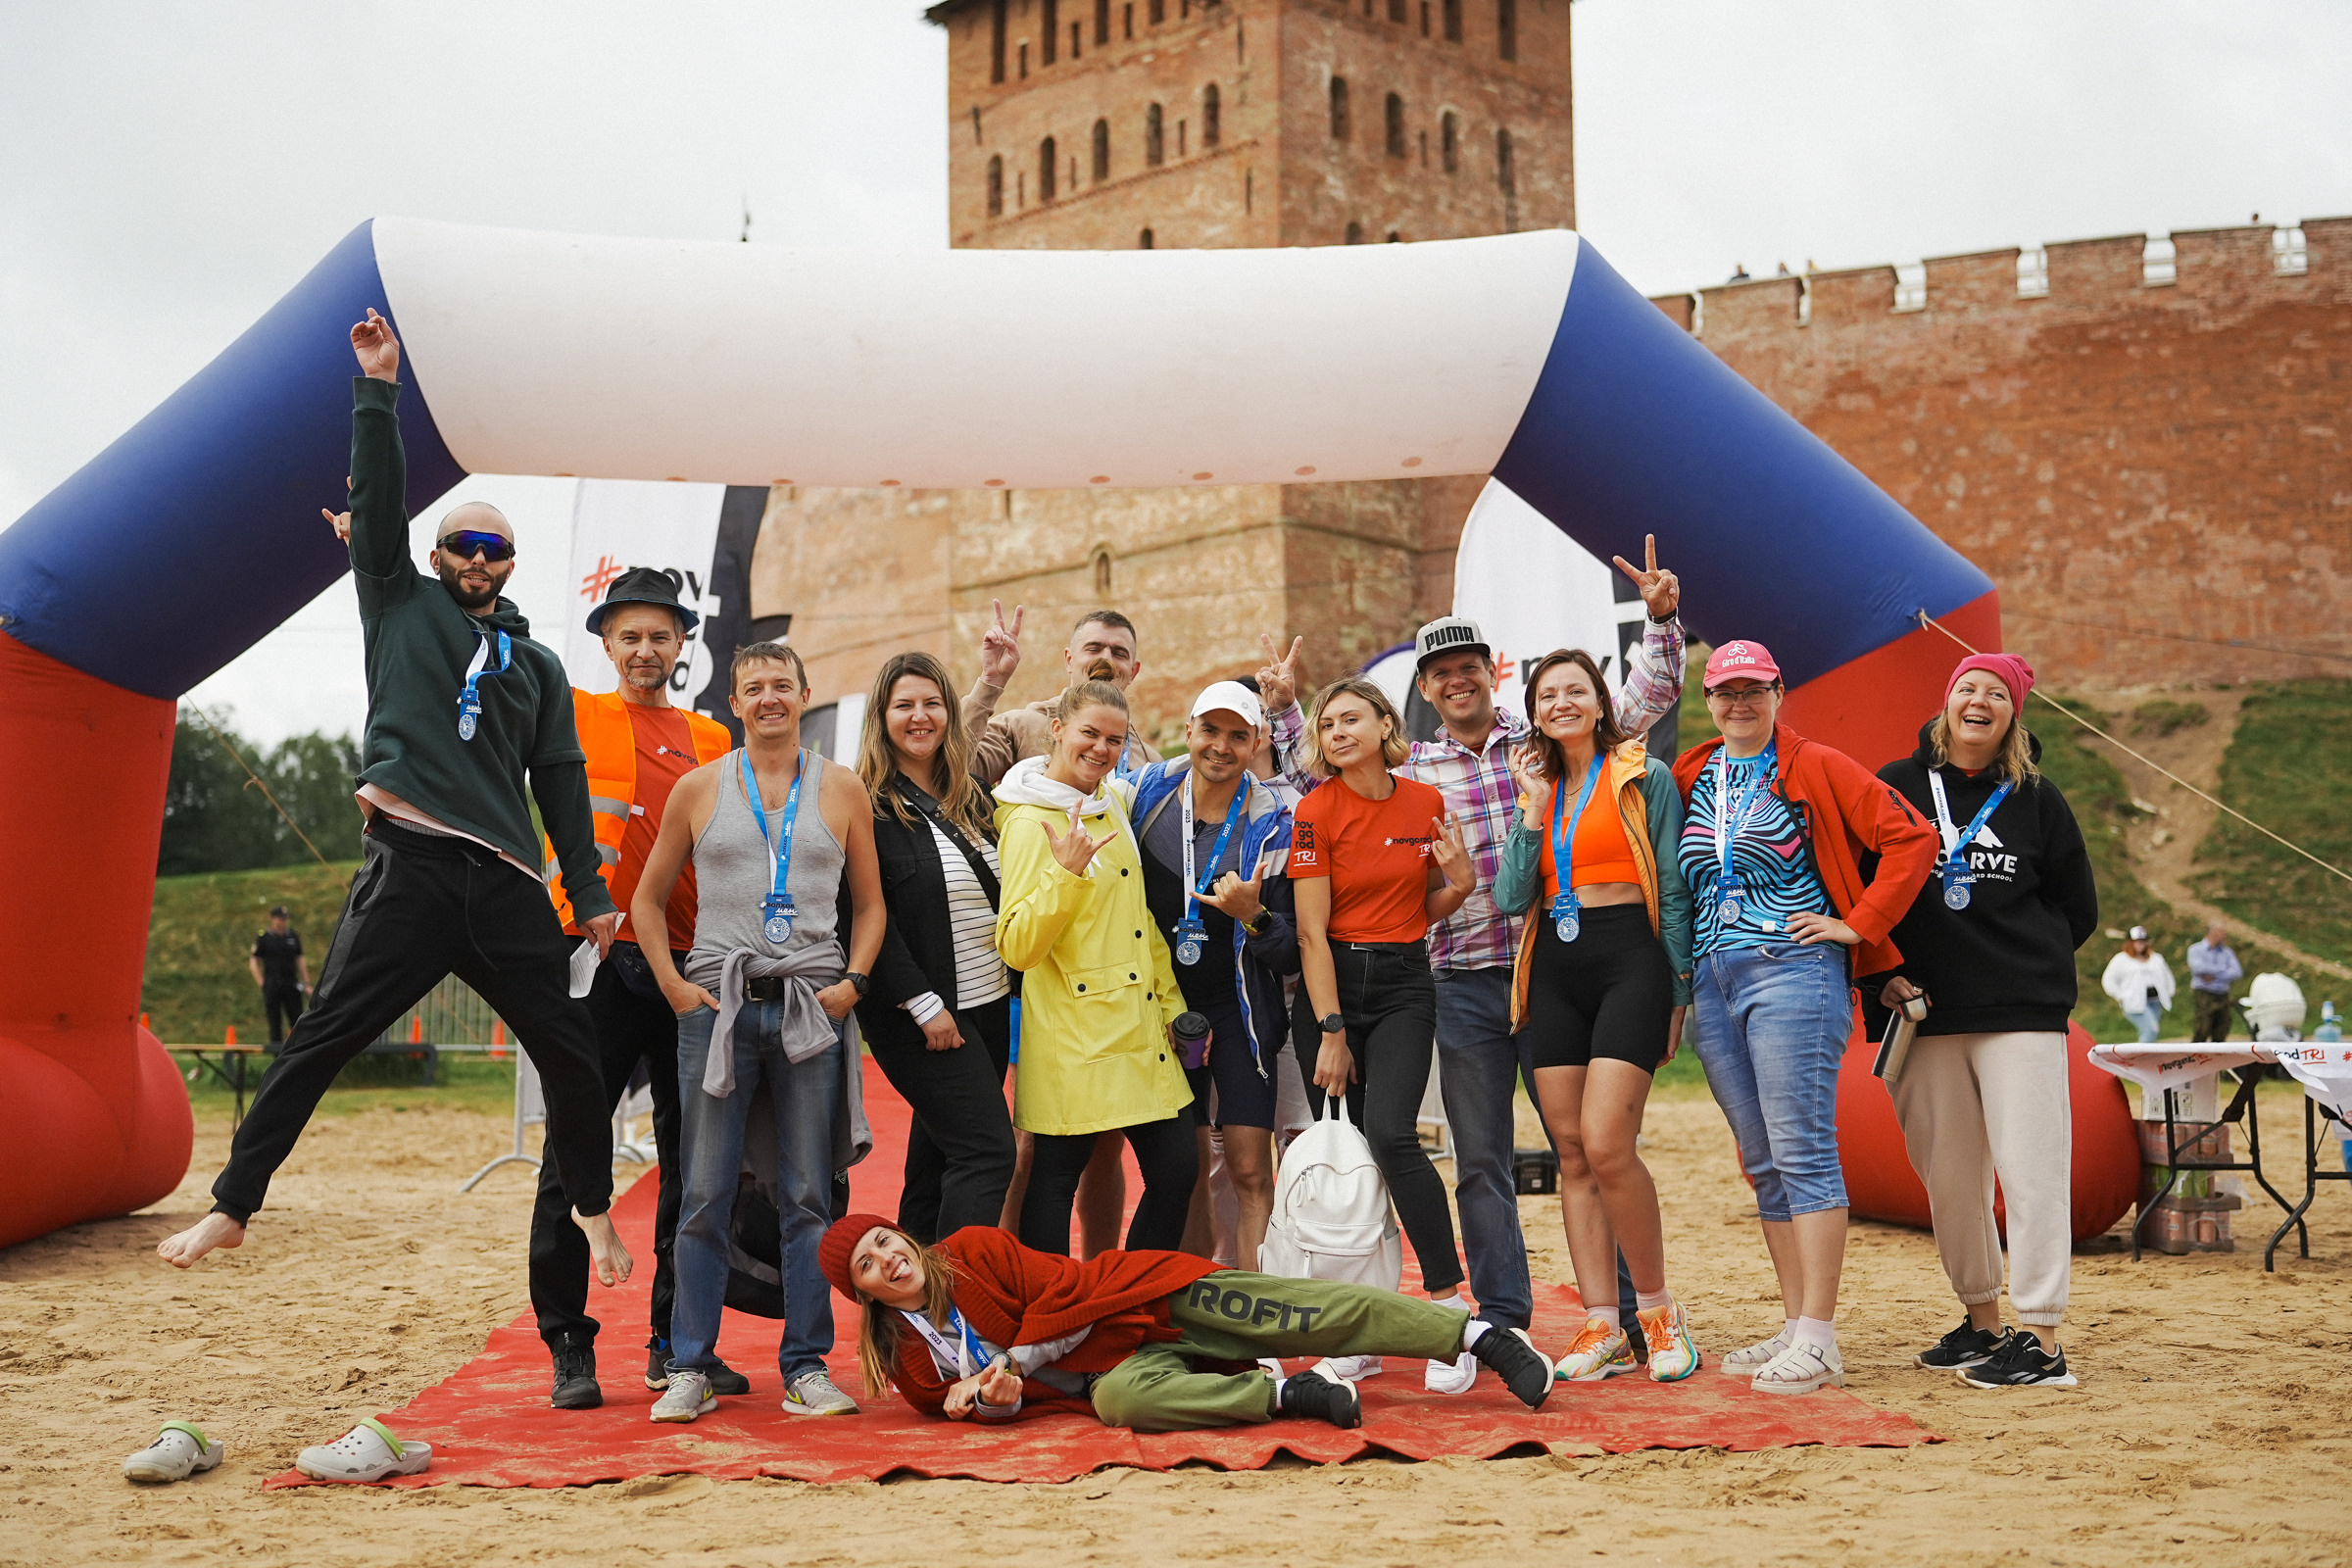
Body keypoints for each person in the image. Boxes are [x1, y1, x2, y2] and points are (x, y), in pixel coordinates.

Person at [158, 310, 628, 1290]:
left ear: (511, 562)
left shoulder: (538, 666)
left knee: (572, 1053)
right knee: (321, 1036)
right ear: (438, 552)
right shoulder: (398, 601)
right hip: (410, 868)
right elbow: (375, 508)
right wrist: (378, 387)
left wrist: (586, 893)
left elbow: (561, 780)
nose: (478, 559)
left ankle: (593, 1210)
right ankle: (232, 1206)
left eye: (495, 548)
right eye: (462, 543)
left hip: (505, 880)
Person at [1262, 541, 1685, 1384]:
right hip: (1455, 981)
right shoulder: (1412, 770)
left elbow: (1640, 703)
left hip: (1545, 973)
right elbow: (1314, 776)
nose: (1456, 682)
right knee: (1484, 1160)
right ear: (1422, 690)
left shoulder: (1542, 740)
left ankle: (1632, 1313)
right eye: (1440, 674)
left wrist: (1663, 624)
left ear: (1492, 673)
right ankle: (1503, 1319)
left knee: (1590, 1147)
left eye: (1467, 668)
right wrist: (1283, 711)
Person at [1669, 640, 1938, 1395]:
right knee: (1761, 1159)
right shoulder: (1694, 772)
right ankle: (1795, 1325)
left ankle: (1820, 1337)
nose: (1739, 703)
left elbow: (1911, 837)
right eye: (1726, 691)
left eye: (1754, 690)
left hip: (1792, 968)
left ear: (1779, 693)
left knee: (1801, 1149)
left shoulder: (1815, 763)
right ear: (1708, 699)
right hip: (1714, 979)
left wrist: (1859, 925)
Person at [631, 642, 884, 1422]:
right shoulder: (699, 788)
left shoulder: (841, 787)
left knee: (808, 1194)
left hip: (812, 1005)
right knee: (705, 1192)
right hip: (718, 1010)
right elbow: (646, 900)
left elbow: (871, 905)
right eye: (754, 687)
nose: (769, 697)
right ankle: (690, 1366)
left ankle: (806, 1366)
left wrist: (854, 984)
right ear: (734, 703)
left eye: (782, 685)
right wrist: (675, 988)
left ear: (803, 695)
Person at [522, 567, 737, 1410]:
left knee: (694, 1162)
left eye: (659, 636)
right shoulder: (573, 712)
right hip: (597, 960)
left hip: (692, 966)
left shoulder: (712, 737)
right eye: (630, 637)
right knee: (573, 1152)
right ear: (608, 646)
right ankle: (568, 1346)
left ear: (682, 645)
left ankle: (674, 1345)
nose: (645, 650)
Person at [1862, 653, 2099, 1391]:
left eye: (1997, 693)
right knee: (1951, 1181)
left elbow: (2078, 907)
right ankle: (1984, 1323)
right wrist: (1878, 973)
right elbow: (1861, 883)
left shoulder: (2037, 798)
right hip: (1924, 1014)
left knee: (2032, 1174)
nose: (1979, 700)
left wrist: (2022, 964)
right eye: (1967, 687)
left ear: (2012, 715)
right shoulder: (1897, 785)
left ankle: (2043, 1340)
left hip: (2018, 1015)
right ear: (1946, 702)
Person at [822, 1214, 1555, 1431]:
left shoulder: (974, 1251)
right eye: (866, 1265)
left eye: (884, 1241)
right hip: (1112, 1372)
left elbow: (1068, 1301)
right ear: (864, 1296)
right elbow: (1000, 1407)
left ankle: (1477, 1337)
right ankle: (1288, 1397)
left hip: (1144, 1301)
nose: (887, 1260)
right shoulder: (914, 1369)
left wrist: (1009, 1363)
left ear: (902, 1235)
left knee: (1305, 1314)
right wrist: (992, 1404)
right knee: (1119, 1404)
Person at [1491, 649, 1698, 1383]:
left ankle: (1660, 1313)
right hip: (1554, 969)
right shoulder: (1537, 787)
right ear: (1535, 713)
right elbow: (1511, 897)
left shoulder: (1643, 774)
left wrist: (1678, 988)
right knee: (1573, 1153)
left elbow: (1671, 886)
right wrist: (1530, 812)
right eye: (1548, 695)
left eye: (1575, 690)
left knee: (1609, 1145)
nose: (1562, 703)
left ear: (1600, 701)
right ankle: (1601, 1324)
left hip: (1630, 961)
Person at [1289, 676, 1479, 1369]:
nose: (1337, 733)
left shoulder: (1426, 803)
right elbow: (1310, 933)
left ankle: (1449, 1315)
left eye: (1350, 719)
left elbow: (1422, 907)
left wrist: (1461, 885)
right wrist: (1331, 1030)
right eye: (1326, 724)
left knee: (1394, 1138)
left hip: (1403, 983)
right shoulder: (1314, 810)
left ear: (1383, 726)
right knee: (1349, 1161)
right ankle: (1358, 1331)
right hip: (1331, 989)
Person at [973, 610, 1157, 1256]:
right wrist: (990, 682)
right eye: (1094, 646)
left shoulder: (1142, 754)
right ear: (1068, 657)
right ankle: (1019, 1272)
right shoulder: (1022, 725)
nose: (1106, 657)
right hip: (1040, 974)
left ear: (1135, 669)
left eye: (1119, 651)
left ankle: (1097, 1275)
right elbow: (952, 763)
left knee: (1106, 1141)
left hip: (1114, 981)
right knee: (1036, 1139)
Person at [994, 680, 1200, 1254]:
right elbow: (1017, 946)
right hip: (1072, 1035)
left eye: (1114, 739)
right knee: (1055, 1182)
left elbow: (1139, 922)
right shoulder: (1029, 821)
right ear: (1057, 729)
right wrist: (1064, 876)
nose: (1101, 749)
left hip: (1138, 1027)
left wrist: (1172, 1008)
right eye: (1089, 733)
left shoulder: (1112, 804)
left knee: (1177, 1169)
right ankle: (1052, 1304)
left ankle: (1127, 1293)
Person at [851, 612, 1026, 1244]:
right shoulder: (865, 805)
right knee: (987, 1153)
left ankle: (910, 1292)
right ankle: (957, 1294)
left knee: (938, 1159)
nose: (920, 717)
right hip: (920, 1014)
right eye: (904, 705)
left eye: (932, 704)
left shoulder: (972, 796)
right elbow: (861, 914)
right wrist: (924, 1005)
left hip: (987, 1004)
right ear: (882, 718)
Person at [1130, 680, 1300, 1269]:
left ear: (1257, 743)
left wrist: (1253, 915)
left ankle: (1254, 1305)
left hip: (1237, 1012)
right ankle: (1183, 1295)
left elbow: (1290, 951)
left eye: (1237, 735)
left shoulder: (1274, 822)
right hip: (1158, 1010)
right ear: (1188, 731)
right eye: (1210, 730)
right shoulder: (1145, 795)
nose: (1221, 746)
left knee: (1252, 1170)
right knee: (1182, 1170)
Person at [248, 906, 310, 1047]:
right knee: (274, 1020)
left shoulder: (292, 936)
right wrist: (262, 983)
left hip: (291, 982)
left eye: (285, 919)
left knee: (297, 1017)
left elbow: (299, 959)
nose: (283, 922)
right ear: (273, 919)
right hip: (273, 983)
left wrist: (306, 982)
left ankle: (298, 1048)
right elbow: (254, 961)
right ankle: (276, 1052)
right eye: (280, 919)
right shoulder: (264, 938)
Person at [2101, 927, 2174, 1043]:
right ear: (2130, 943)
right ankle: (2140, 1054)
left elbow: (2167, 976)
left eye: (2143, 941)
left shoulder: (2156, 958)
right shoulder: (2121, 959)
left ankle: (2147, 1053)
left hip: (2155, 1002)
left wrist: (2168, 993)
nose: (2141, 944)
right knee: (2151, 1030)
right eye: (2137, 942)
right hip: (2135, 1003)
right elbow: (2108, 980)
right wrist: (2121, 996)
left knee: (2150, 1031)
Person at [2186, 923, 2243, 1044]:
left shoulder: (2227, 952)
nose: (2225, 936)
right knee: (2203, 1027)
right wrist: (2224, 970)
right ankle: (2195, 1053)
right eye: (2222, 933)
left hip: (2222, 994)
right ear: (2213, 933)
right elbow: (2198, 969)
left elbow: (2237, 972)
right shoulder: (2195, 949)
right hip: (2204, 994)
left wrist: (2214, 974)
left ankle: (2217, 1054)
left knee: (2222, 1027)